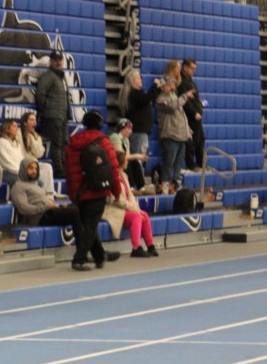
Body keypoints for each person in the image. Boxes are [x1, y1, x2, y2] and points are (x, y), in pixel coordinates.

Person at [64, 110, 123, 271]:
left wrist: (73, 193)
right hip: (97, 190)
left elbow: (68, 171)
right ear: (99, 124)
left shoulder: (72, 143)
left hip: (79, 192)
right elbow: (113, 168)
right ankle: (79, 259)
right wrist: (117, 191)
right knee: (90, 226)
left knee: (89, 225)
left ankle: (99, 255)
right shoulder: (103, 141)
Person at [103, 151, 159, 258]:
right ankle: (136, 248)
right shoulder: (112, 178)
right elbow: (118, 201)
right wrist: (134, 210)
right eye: (126, 160)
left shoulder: (124, 176)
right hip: (115, 209)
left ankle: (150, 246)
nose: (127, 162)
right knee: (136, 216)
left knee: (144, 215)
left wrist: (136, 208)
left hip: (126, 208)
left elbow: (130, 195)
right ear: (120, 162)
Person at [154, 61, 193, 194]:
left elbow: (181, 115)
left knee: (178, 164)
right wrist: (185, 96)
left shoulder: (174, 95)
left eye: (173, 83)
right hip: (170, 135)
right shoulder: (160, 99)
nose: (172, 85)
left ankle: (176, 185)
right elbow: (172, 106)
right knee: (169, 162)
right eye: (169, 83)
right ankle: (165, 184)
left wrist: (188, 131)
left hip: (181, 135)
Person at [117, 69, 159, 191]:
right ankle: (139, 184)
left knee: (136, 157)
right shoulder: (135, 93)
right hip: (139, 130)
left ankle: (137, 183)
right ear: (133, 81)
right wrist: (155, 86)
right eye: (138, 78)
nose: (141, 80)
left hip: (137, 130)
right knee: (139, 157)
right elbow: (147, 98)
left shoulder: (129, 94)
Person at [11, 158, 82, 230]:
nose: (34, 171)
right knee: (74, 211)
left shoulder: (35, 184)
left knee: (79, 208)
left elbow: (46, 203)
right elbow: (24, 209)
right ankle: (84, 237)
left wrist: (59, 206)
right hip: (40, 218)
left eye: (35, 169)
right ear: (23, 169)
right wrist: (45, 207)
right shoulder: (18, 187)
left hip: (48, 212)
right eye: (31, 168)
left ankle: (84, 236)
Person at [34, 50, 71, 175]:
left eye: (60, 60)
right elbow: (40, 94)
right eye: (55, 60)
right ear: (50, 61)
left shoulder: (62, 77)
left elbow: (66, 97)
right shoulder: (48, 76)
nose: (58, 62)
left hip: (62, 116)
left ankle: (65, 167)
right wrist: (47, 109)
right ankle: (60, 170)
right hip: (53, 117)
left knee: (64, 142)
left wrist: (67, 114)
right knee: (57, 143)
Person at [20, 111, 56, 196]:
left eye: (35, 120)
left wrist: (32, 140)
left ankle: (49, 193)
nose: (34, 122)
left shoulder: (36, 137)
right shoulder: (18, 134)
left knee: (47, 167)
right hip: (22, 164)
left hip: (33, 164)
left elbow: (39, 154)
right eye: (31, 120)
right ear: (25, 123)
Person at [179, 58, 206, 171]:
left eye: (195, 69)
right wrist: (194, 112)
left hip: (197, 116)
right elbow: (185, 101)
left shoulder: (191, 81)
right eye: (192, 68)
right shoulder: (182, 82)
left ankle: (201, 164)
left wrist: (199, 104)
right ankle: (192, 165)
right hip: (189, 117)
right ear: (185, 67)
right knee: (190, 142)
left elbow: (194, 99)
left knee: (200, 139)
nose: (194, 71)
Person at [108, 118, 146, 191]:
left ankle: (141, 186)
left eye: (131, 129)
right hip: (113, 161)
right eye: (128, 128)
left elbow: (127, 156)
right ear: (122, 128)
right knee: (126, 161)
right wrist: (138, 156)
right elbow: (121, 155)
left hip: (121, 159)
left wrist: (136, 157)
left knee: (134, 162)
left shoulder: (126, 140)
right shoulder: (115, 137)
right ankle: (130, 186)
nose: (130, 131)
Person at [0, 117, 24, 186]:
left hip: (16, 171)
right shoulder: (1, 142)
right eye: (14, 126)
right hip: (3, 172)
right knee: (25, 182)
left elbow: (21, 159)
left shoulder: (16, 143)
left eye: (17, 126)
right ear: (7, 129)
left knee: (37, 181)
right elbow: (7, 163)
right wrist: (22, 172)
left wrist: (24, 170)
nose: (17, 128)